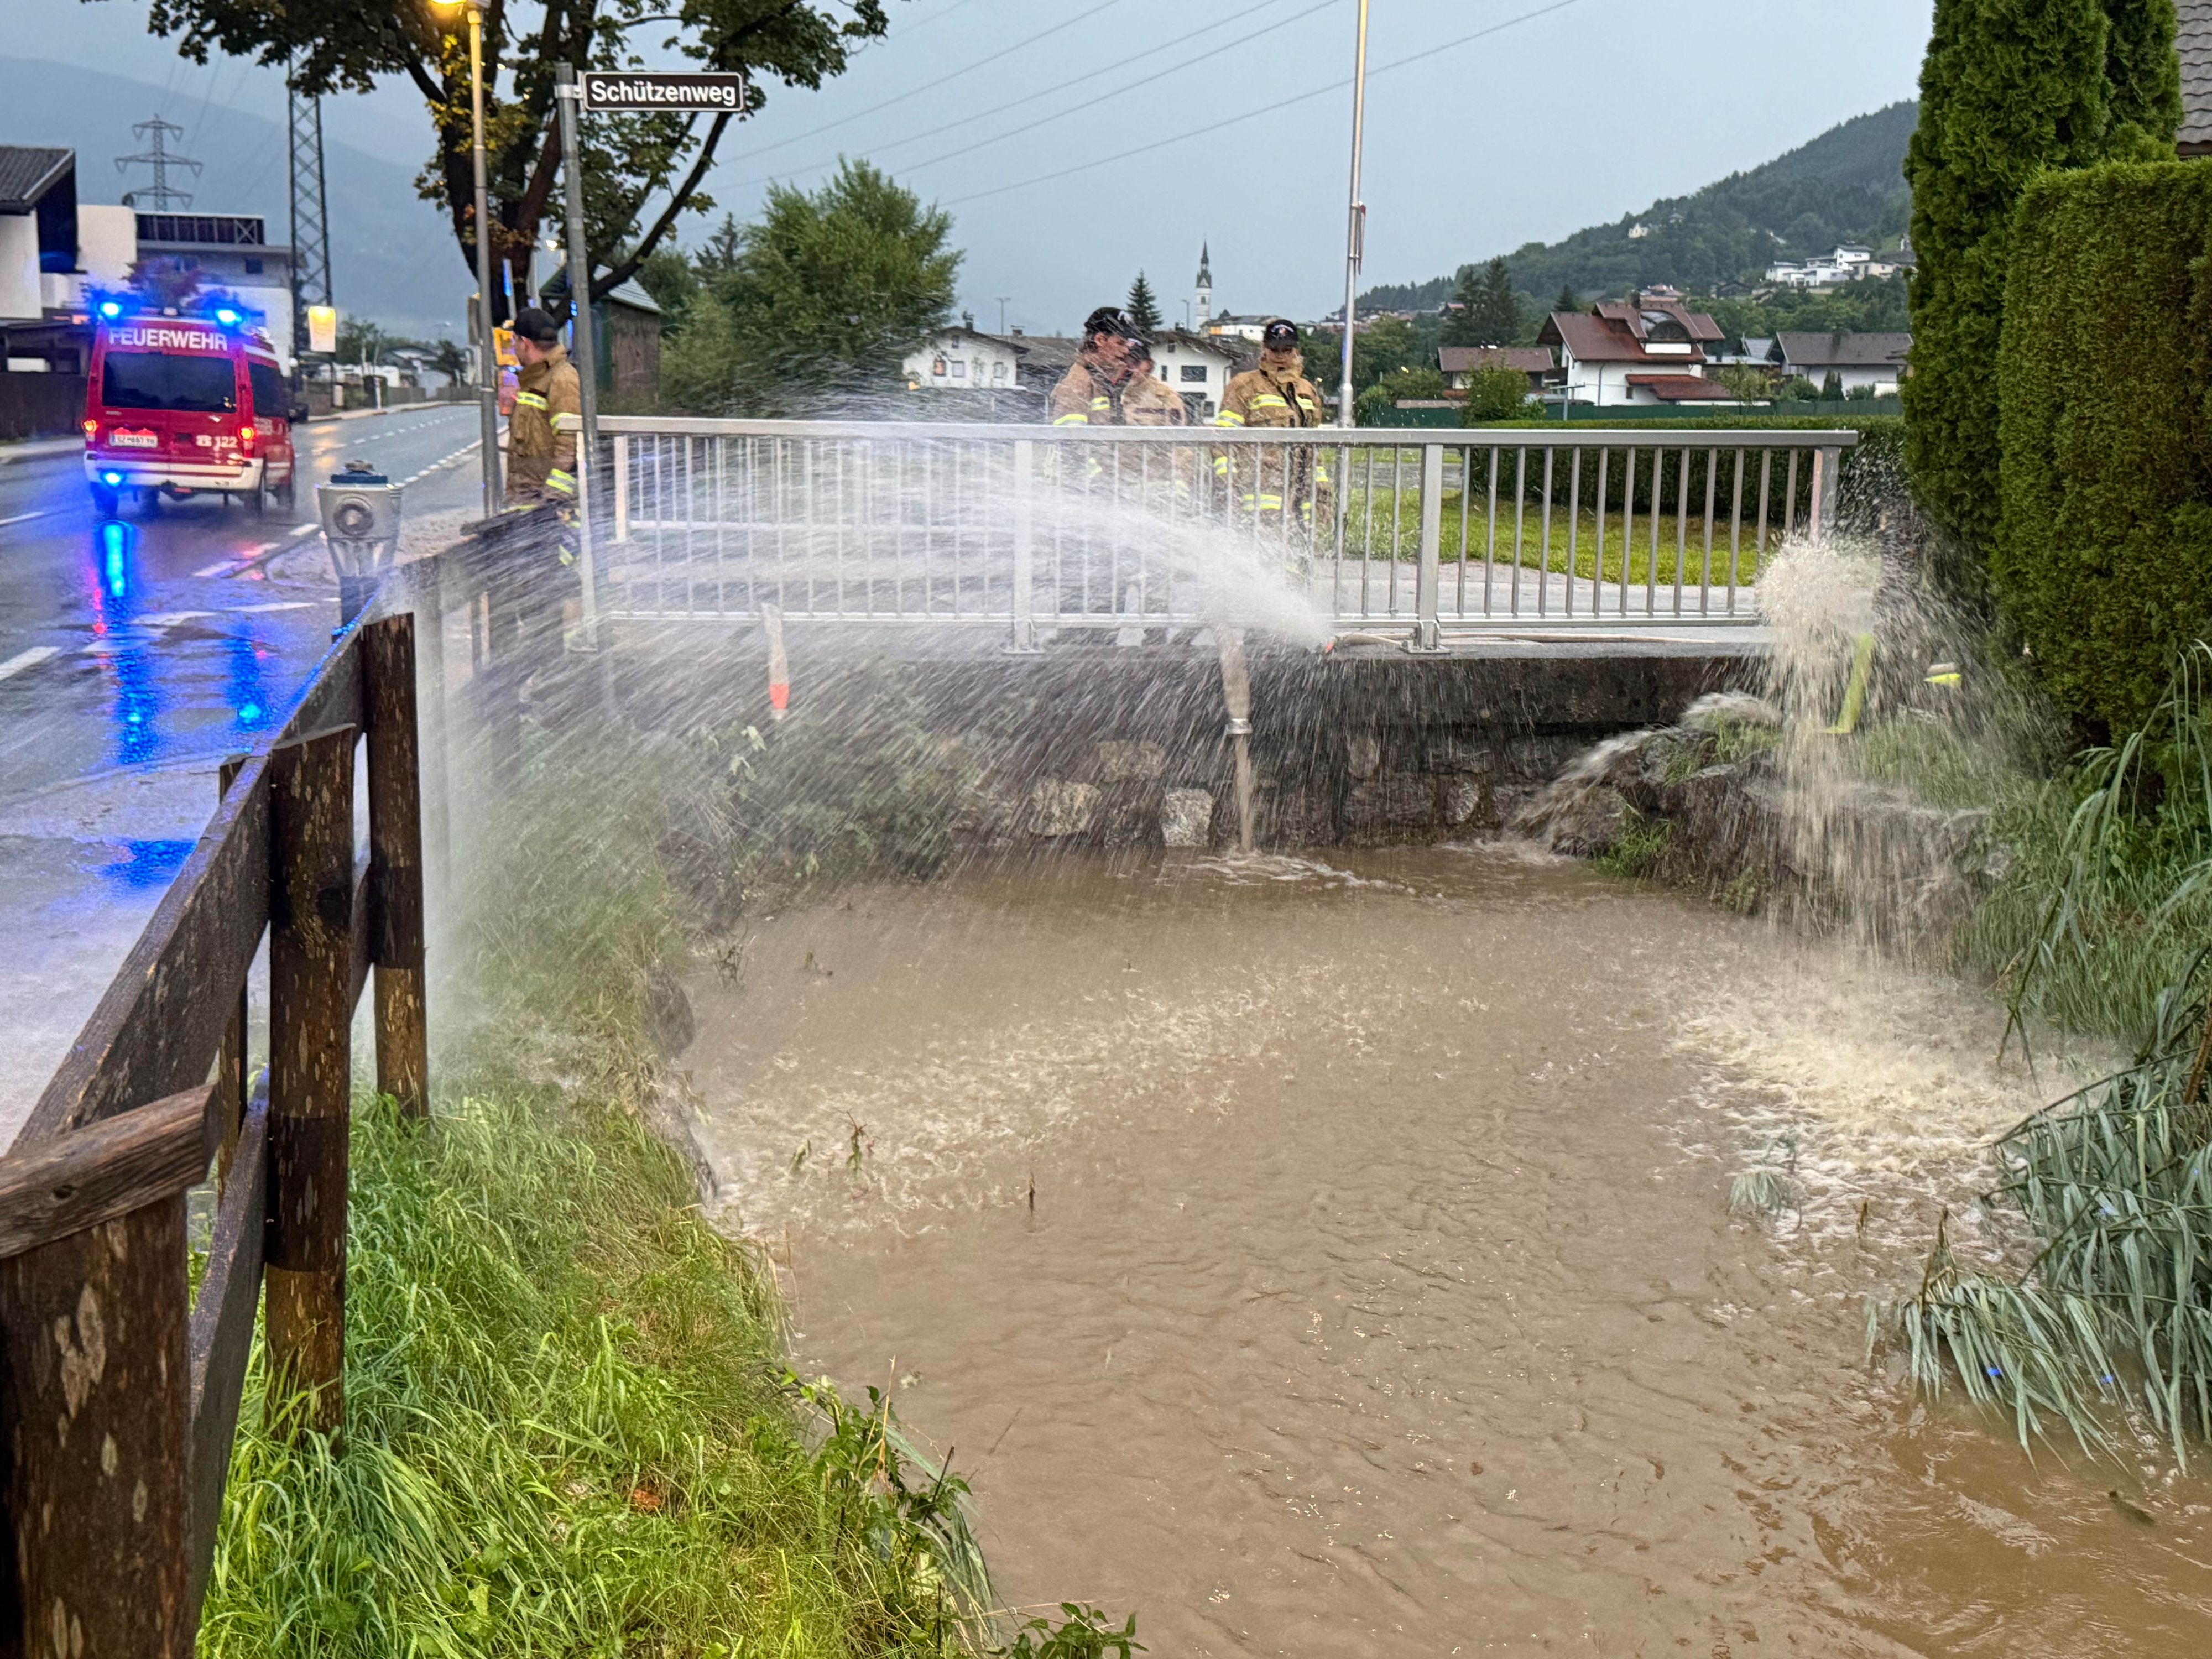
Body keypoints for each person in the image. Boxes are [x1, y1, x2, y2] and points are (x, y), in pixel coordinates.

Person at [1214, 317, 1331, 535]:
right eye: (1274, 348)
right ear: (1264, 348)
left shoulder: (1307, 390)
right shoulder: (1244, 385)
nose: (1280, 355)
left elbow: (1316, 450)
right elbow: (1223, 442)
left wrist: (1322, 492)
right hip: (1258, 491)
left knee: (1299, 560)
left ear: (1296, 351)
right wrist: (1230, 483)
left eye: (1287, 349)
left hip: (1300, 496)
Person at [505, 306, 582, 512]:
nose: (514, 349)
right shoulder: (536, 379)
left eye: (514, 342)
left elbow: (569, 442)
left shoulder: (561, 378)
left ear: (525, 343)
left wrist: (553, 500)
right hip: (527, 502)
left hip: (546, 507)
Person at [1048, 306, 1145, 426]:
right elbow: (1071, 439)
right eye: (1120, 343)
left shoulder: (1101, 380)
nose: (1126, 351)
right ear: (1100, 340)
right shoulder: (1078, 383)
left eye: (1128, 345)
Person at [1120, 337, 1190, 426]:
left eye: (1135, 363)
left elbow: (1175, 434)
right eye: (1123, 362)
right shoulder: (1105, 390)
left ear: (1149, 365)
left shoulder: (1165, 396)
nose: (1130, 368)